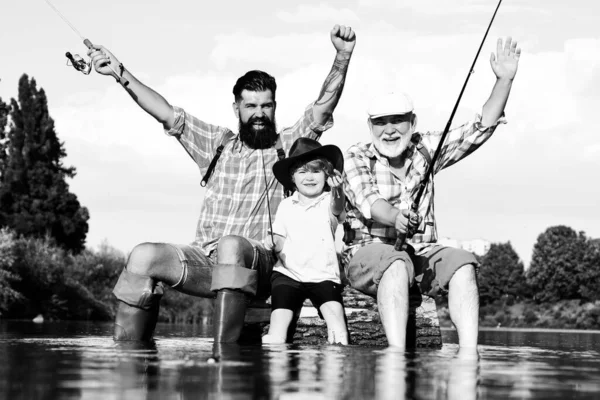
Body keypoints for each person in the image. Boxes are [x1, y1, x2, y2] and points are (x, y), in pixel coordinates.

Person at [87, 24, 356, 344]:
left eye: (266, 106)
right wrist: (119, 72)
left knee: (231, 244)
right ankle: (130, 359)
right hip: (206, 263)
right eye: (251, 106)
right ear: (237, 109)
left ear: (274, 107)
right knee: (142, 255)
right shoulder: (217, 144)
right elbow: (164, 112)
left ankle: (223, 356)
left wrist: (341, 57)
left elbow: (322, 108)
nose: (259, 113)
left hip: (259, 264)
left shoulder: (287, 148)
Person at [342, 37, 521, 350]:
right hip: (367, 252)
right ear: (370, 127)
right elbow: (370, 203)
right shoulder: (356, 155)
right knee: (394, 263)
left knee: (464, 264)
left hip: (420, 251)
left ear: (412, 123)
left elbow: (480, 127)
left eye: (397, 120)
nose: (389, 130)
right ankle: (396, 358)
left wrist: (503, 80)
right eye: (380, 123)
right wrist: (396, 218)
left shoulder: (427, 148)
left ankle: (468, 357)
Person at [262, 138, 348, 345]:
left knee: (337, 324)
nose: (309, 177)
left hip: (324, 276)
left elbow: (338, 207)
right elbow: (280, 240)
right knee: (279, 319)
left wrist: (337, 190)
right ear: (292, 177)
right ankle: (276, 349)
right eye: (302, 172)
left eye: (316, 171)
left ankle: (336, 359)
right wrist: (272, 241)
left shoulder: (329, 200)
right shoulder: (285, 205)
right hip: (288, 274)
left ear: (327, 175)